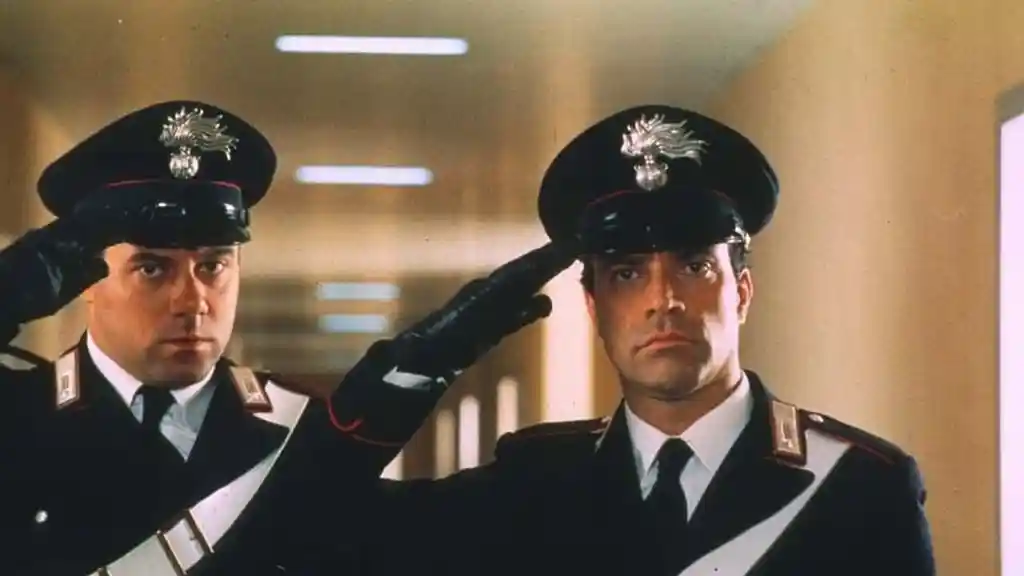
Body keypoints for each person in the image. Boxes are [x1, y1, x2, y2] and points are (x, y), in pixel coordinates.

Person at [353, 105, 937, 576]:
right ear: (593, 307)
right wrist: (417, 366)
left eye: (694, 266)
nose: (664, 299)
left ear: (742, 292)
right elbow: (319, 532)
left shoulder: (859, 485)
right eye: (627, 274)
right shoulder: (534, 481)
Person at [0, 100, 574, 576]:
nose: (192, 300)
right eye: (152, 268)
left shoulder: (299, 427)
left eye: (213, 266)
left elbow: (420, 540)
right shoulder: (17, 417)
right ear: (84, 281)